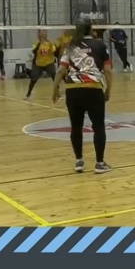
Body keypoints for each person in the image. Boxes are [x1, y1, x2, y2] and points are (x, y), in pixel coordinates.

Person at [52, 21, 113, 175]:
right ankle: (99, 163)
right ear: (90, 29)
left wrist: (55, 88)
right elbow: (108, 70)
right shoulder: (100, 45)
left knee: (76, 126)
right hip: (93, 89)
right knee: (98, 127)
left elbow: (61, 70)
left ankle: (79, 161)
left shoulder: (70, 46)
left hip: (73, 90)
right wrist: (108, 89)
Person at [26, 30, 57, 99]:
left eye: (45, 32)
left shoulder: (50, 43)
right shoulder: (37, 43)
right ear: (39, 35)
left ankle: (57, 94)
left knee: (55, 76)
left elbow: (54, 51)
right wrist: (39, 44)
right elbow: (34, 51)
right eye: (42, 32)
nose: (44, 34)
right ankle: (28, 94)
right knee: (34, 78)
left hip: (48, 63)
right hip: (38, 64)